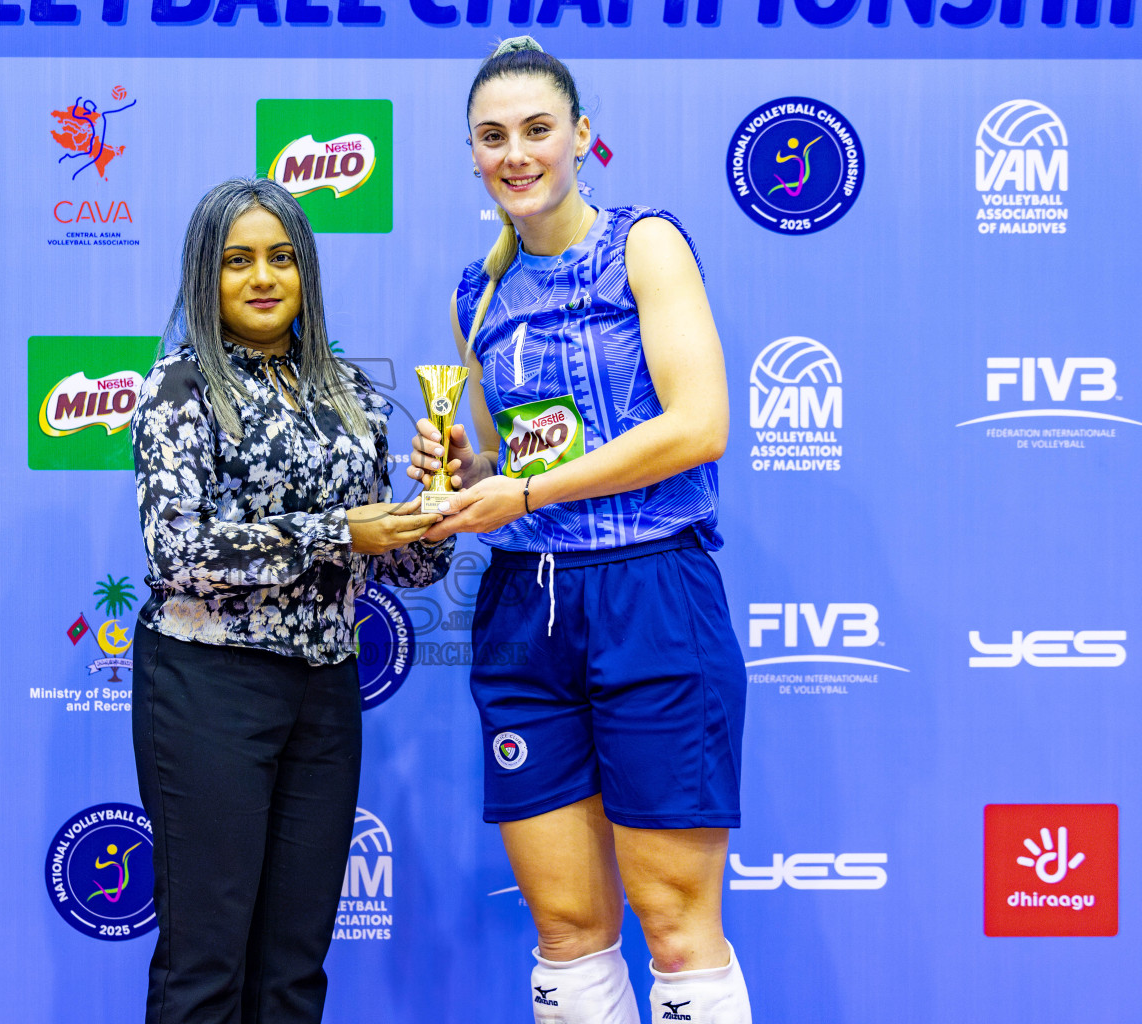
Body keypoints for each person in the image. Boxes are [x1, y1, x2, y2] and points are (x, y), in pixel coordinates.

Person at [410, 38, 752, 1024]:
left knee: (676, 920)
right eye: (492, 136)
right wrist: (463, 476)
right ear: (472, 154)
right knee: (565, 922)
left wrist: (519, 492)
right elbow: (501, 461)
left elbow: (699, 425)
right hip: (528, 606)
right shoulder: (473, 296)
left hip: (652, 588)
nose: (516, 152)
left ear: (581, 139)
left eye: (536, 130)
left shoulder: (643, 243)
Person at [131, 177, 453, 1024]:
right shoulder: (179, 387)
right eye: (238, 261)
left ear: (306, 270)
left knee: (296, 966)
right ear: (206, 275)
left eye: (281, 257)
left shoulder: (348, 391)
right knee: (205, 963)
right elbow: (179, 549)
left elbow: (409, 573)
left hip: (325, 689)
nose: (262, 277)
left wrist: (436, 503)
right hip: (207, 684)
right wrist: (340, 530)